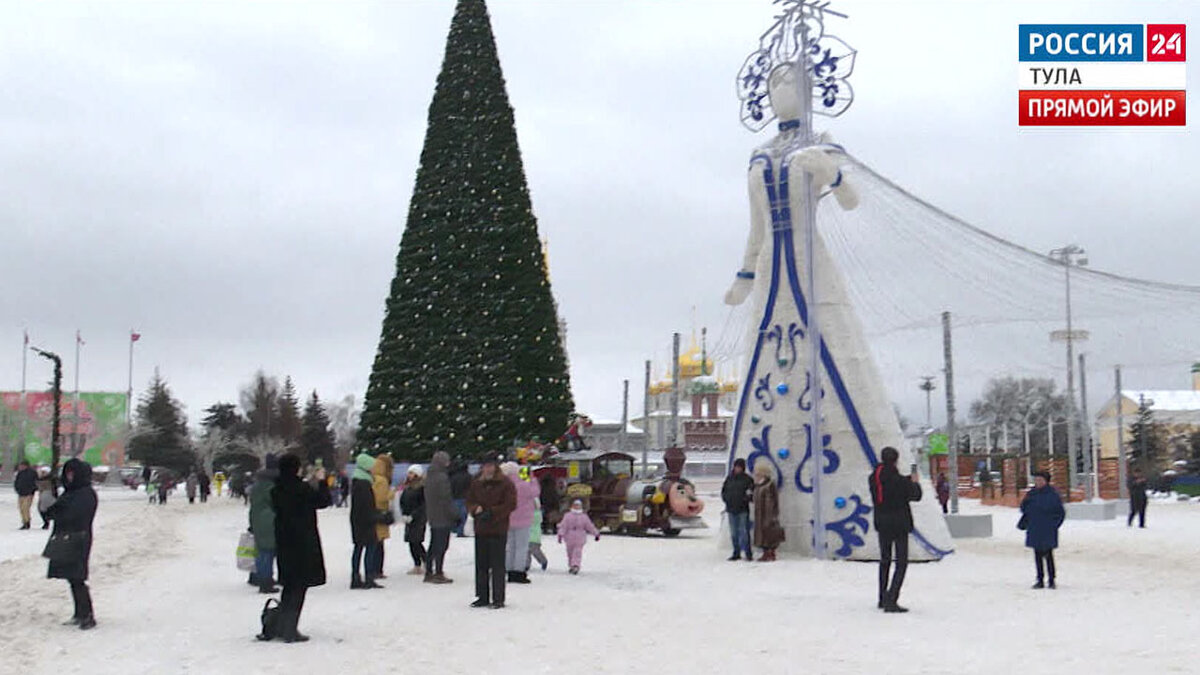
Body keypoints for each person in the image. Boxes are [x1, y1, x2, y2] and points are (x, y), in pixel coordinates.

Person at [264, 453, 331, 643]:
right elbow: (323, 501)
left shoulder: (276, 490)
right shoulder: (301, 489)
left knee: (289, 586)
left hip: (285, 542)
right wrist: (321, 481)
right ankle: (290, 629)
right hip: (303, 542)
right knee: (299, 588)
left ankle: (284, 625)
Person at [43, 458, 98, 630]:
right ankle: (79, 613)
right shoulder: (70, 492)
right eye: (67, 473)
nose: (69, 477)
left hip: (79, 538)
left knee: (78, 577)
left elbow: (77, 514)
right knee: (72, 578)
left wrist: (58, 511)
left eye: (72, 473)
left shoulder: (85, 493)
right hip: (67, 537)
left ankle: (87, 615)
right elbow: (53, 513)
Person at [869, 447, 922, 613]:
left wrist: (906, 480)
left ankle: (882, 597)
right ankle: (892, 599)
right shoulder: (900, 481)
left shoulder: (874, 478)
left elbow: (889, 485)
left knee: (884, 560)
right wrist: (914, 482)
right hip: (899, 524)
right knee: (901, 562)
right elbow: (915, 495)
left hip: (882, 522)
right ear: (896, 460)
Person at [466, 460, 516, 609]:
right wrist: (475, 509)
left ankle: (498, 598)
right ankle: (482, 596)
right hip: (481, 528)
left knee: (497, 566)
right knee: (481, 565)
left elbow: (511, 504)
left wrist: (493, 512)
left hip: (497, 529)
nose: (488, 469)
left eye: (490, 466)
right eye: (485, 466)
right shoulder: (476, 482)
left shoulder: (505, 483)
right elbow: (469, 501)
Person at [1021, 470, 1065, 590]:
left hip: (1048, 529)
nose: (1038, 482)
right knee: (1037, 555)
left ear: (1046, 481)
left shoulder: (1053, 494)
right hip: (1035, 528)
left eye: (1040, 480)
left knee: (1048, 554)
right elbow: (1024, 507)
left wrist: (1054, 525)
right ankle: (1039, 579)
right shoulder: (1032, 494)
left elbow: (1060, 513)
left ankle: (1051, 579)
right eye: (1036, 480)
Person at [501, 462, 540, 585]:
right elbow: (535, 492)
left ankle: (508, 568)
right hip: (523, 519)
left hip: (507, 518)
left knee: (510, 546)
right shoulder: (524, 484)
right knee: (521, 547)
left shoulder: (504, 485)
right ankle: (518, 572)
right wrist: (532, 478)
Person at [248, 455, 279, 594]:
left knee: (262, 551)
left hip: (257, 520)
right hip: (272, 520)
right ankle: (266, 581)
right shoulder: (274, 485)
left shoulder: (257, 485)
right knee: (269, 551)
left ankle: (259, 577)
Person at [423, 451, 456, 583]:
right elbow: (446, 499)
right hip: (443, 516)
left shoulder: (429, 476)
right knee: (441, 546)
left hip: (432, 515)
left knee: (433, 544)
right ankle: (438, 572)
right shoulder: (442, 477)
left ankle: (429, 571)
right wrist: (453, 514)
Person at [349, 453, 380, 589]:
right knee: (370, 547)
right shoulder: (364, 484)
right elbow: (367, 506)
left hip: (358, 521)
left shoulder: (358, 481)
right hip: (365, 522)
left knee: (358, 548)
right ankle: (368, 577)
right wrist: (379, 516)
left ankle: (355, 576)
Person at [721, 458, 755, 561]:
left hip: (742, 509)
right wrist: (726, 500)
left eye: (739, 467)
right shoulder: (729, 479)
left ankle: (748, 553)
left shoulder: (748, 479)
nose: (737, 469)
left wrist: (745, 499)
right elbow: (724, 491)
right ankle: (736, 552)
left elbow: (751, 493)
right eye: (736, 467)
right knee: (734, 532)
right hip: (731, 509)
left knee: (744, 532)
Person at [369, 454, 396, 579]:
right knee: (379, 544)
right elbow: (382, 498)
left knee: (375, 543)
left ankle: (373, 569)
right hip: (381, 513)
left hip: (373, 513)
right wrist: (392, 493)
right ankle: (377, 570)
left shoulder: (373, 478)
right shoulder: (382, 480)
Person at [556, 499, 599, 575]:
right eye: (575, 505)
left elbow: (589, 526)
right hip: (569, 538)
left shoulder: (584, 517)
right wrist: (560, 535)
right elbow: (563, 526)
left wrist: (596, 533)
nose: (577, 507)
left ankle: (575, 565)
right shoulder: (568, 516)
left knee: (577, 553)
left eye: (578, 506)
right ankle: (571, 566)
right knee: (570, 553)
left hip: (580, 537)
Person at [752, 462, 784, 562]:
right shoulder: (758, 486)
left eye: (758, 474)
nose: (755, 476)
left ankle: (771, 553)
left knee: (770, 534)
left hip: (768, 514)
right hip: (759, 514)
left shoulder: (769, 485)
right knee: (762, 535)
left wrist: (771, 515)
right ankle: (765, 553)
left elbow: (772, 501)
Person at [399, 464, 427, 576]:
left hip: (418, 518)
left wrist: (413, 515)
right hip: (408, 518)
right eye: (409, 473)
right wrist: (404, 513)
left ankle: (426, 562)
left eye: (411, 473)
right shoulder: (407, 487)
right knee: (411, 542)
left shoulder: (422, 487)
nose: (409, 475)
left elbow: (423, 504)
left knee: (417, 541)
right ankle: (417, 564)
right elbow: (403, 501)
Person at [449, 458, 471, 537]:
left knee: (456, 515)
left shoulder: (453, 477)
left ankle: (454, 528)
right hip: (465, 498)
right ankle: (460, 531)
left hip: (455, 498)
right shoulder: (469, 477)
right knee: (463, 516)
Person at [14, 460, 37, 530]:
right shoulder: (20, 473)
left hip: (28, 493)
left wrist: (32, 490)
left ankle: (27, 522)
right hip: (21, 493)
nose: (20, 467)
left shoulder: (32, 473)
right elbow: (16, 481)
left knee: (25, 508)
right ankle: (24, 521)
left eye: (21, 465)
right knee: (21, 508)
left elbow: (35, 482)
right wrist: (17, 489)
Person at [527, 507, 548, 573]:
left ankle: (543, 561)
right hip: (526, 535)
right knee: (526, 552)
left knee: (535, 551)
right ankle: (526, 564)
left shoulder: (537, 514)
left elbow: (534, 520)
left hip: (534, 537)